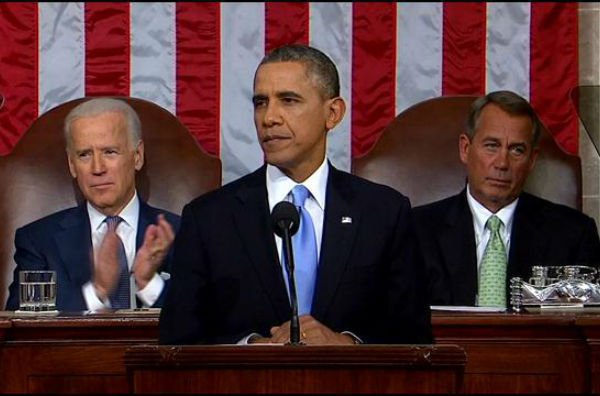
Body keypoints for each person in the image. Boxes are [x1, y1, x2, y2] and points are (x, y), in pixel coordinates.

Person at [159, 44, 432, 345]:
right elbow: (177, 338)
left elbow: (414, 336)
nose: (269, 118)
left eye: (288, 100)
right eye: (261, 102)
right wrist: (249, 348)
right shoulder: (208, 217)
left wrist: (348, 344)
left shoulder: (384, 212)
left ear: (333, 113)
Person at [412, 90, 600, 307]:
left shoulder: (574, 234)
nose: (502, 163)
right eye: (491, 145)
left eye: (517, 150)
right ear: (465, 149)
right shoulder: (416, 230)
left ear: (531, 160)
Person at [5, 98, 179, 311]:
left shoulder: (183, 233)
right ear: (72, 165)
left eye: (110, 152)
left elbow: (207, 321)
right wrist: (97, 292)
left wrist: (149, 284)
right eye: (84, 154)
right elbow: (20, 327)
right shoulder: (39, 241)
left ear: (137, 156)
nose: (97, 168)